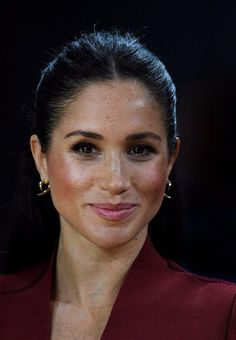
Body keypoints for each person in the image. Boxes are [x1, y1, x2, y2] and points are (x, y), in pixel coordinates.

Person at [0, 30, 236, 340]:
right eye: (86, 148)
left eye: (140, 149)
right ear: (41, 157)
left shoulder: (222, 314)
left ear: (170, 160)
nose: (116, 181)